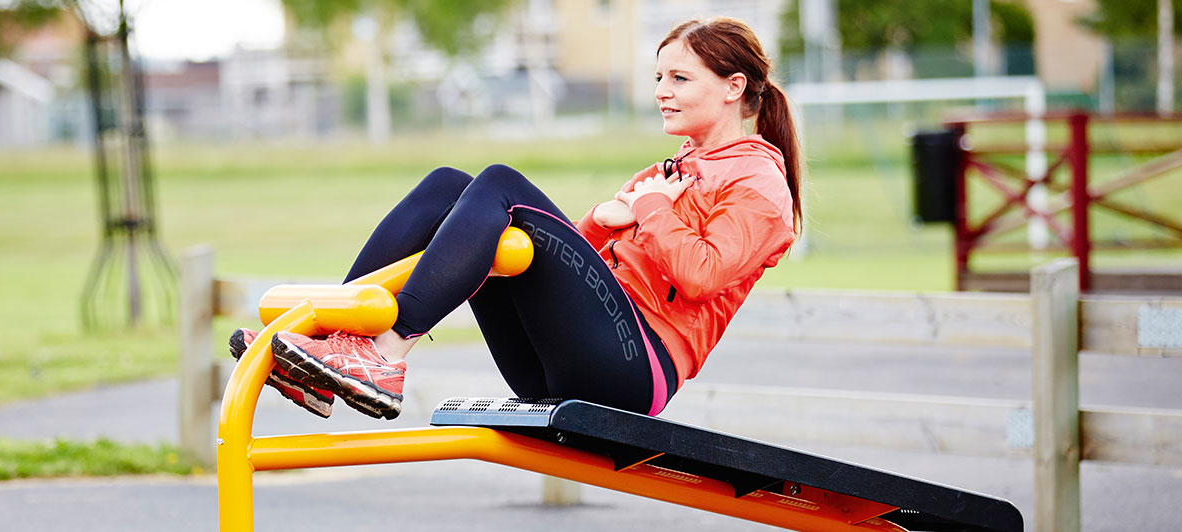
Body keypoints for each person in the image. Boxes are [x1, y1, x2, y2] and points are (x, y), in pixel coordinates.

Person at [230, 16, 801, 421]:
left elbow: (701, 275)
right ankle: (329, 347)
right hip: (560, 363)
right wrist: (604, 220)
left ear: (734, 87)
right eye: (658, 78)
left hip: (633, 371)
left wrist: (648, 207)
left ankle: (385, 354)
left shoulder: (759, 184)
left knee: (501, 183)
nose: (661, 92)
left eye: (679, 79)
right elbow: (576, 265)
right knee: (448, 188)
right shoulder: (671, 171)